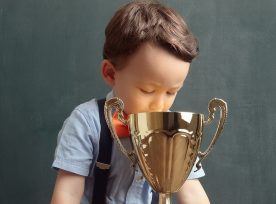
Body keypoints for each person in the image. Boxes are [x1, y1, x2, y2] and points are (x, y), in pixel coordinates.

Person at [51, 1, 210, 203]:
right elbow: (67, 194)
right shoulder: (87, 123)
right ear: (110, 73)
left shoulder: (174, 131)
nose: (160, 106)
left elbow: (193, 193)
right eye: (147, 90)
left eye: (171, 92)